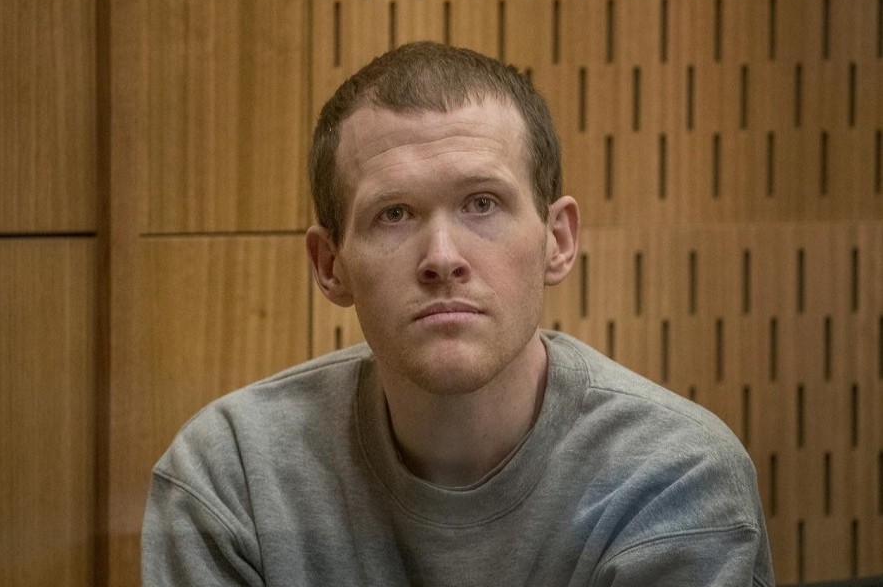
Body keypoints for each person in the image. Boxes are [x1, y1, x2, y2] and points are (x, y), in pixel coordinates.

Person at [142, 41, 775, 586]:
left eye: (481, 204)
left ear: (558, 240)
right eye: (394, 214)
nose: (442, 259)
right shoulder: (231, 476)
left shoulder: (672, 477)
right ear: (331, 264)